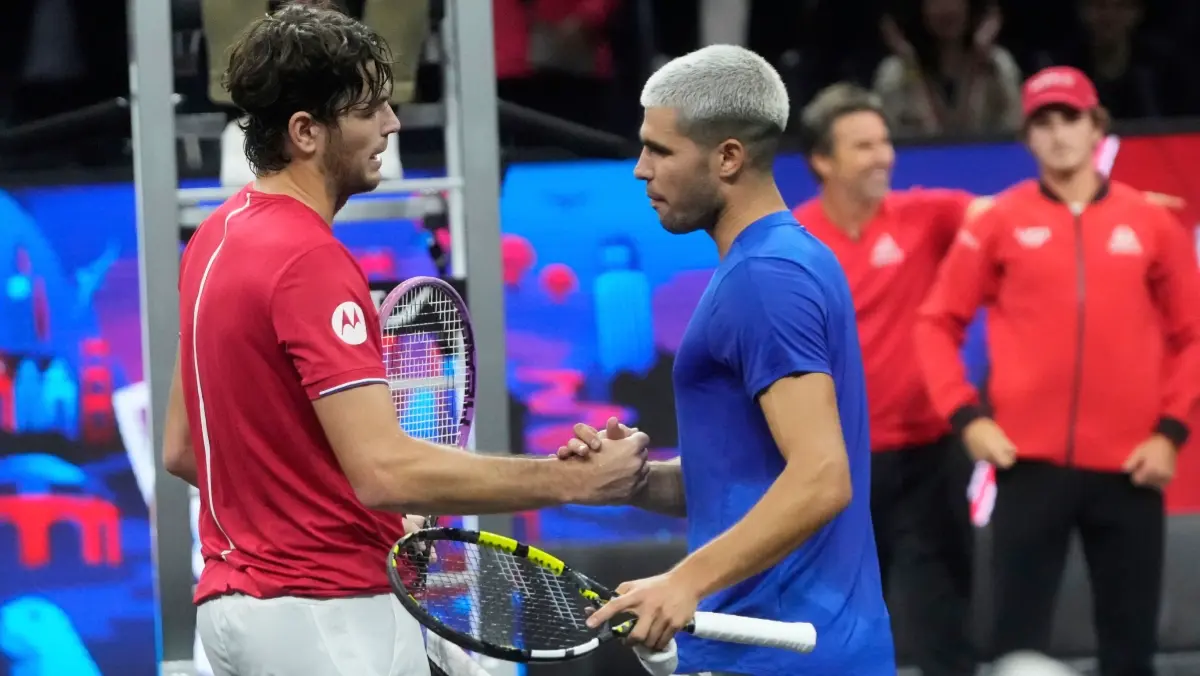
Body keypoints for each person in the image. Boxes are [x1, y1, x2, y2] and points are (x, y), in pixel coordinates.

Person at [161, 4, 650, 676]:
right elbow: (384, 471)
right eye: (368, 109)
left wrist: (326, 500)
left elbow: (186, 452)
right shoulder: (308, 259)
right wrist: (575, 481)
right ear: (306, 131)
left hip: (235, 617)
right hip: (328, 614)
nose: (391, 123)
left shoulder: (214, 237)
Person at [560, 45, 894, 676]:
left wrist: (682, 582)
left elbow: (822, 477)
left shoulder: (764, 279)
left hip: (781, 656)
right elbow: (754, 483)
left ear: (728, 158)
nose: (639, 169)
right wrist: (636, 481)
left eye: (659, 150)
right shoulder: (785, 261)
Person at [915, 65, 1200, 676]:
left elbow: (1192, 335)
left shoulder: (1151, 222)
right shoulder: (998, 220)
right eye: (1042, 122)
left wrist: (1171, 432)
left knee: (1131, 653)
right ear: (1027, 137)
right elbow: (936, 323)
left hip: (1132, 466)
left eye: (1070, 117)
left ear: (1097, 125)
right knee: (1017, 651)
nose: (1058, 133)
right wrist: (967, 418)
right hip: (1028, 466)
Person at [791, 82, 985, 676]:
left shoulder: (928, 215)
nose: (884, 156)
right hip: (837, 466)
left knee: (944, 618)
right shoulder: (794, 241)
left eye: (884, 142)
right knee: (837, 621)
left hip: (932, 457)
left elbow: (1007, 216)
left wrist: (1115, 206)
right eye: (863, 146)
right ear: (822, 160)